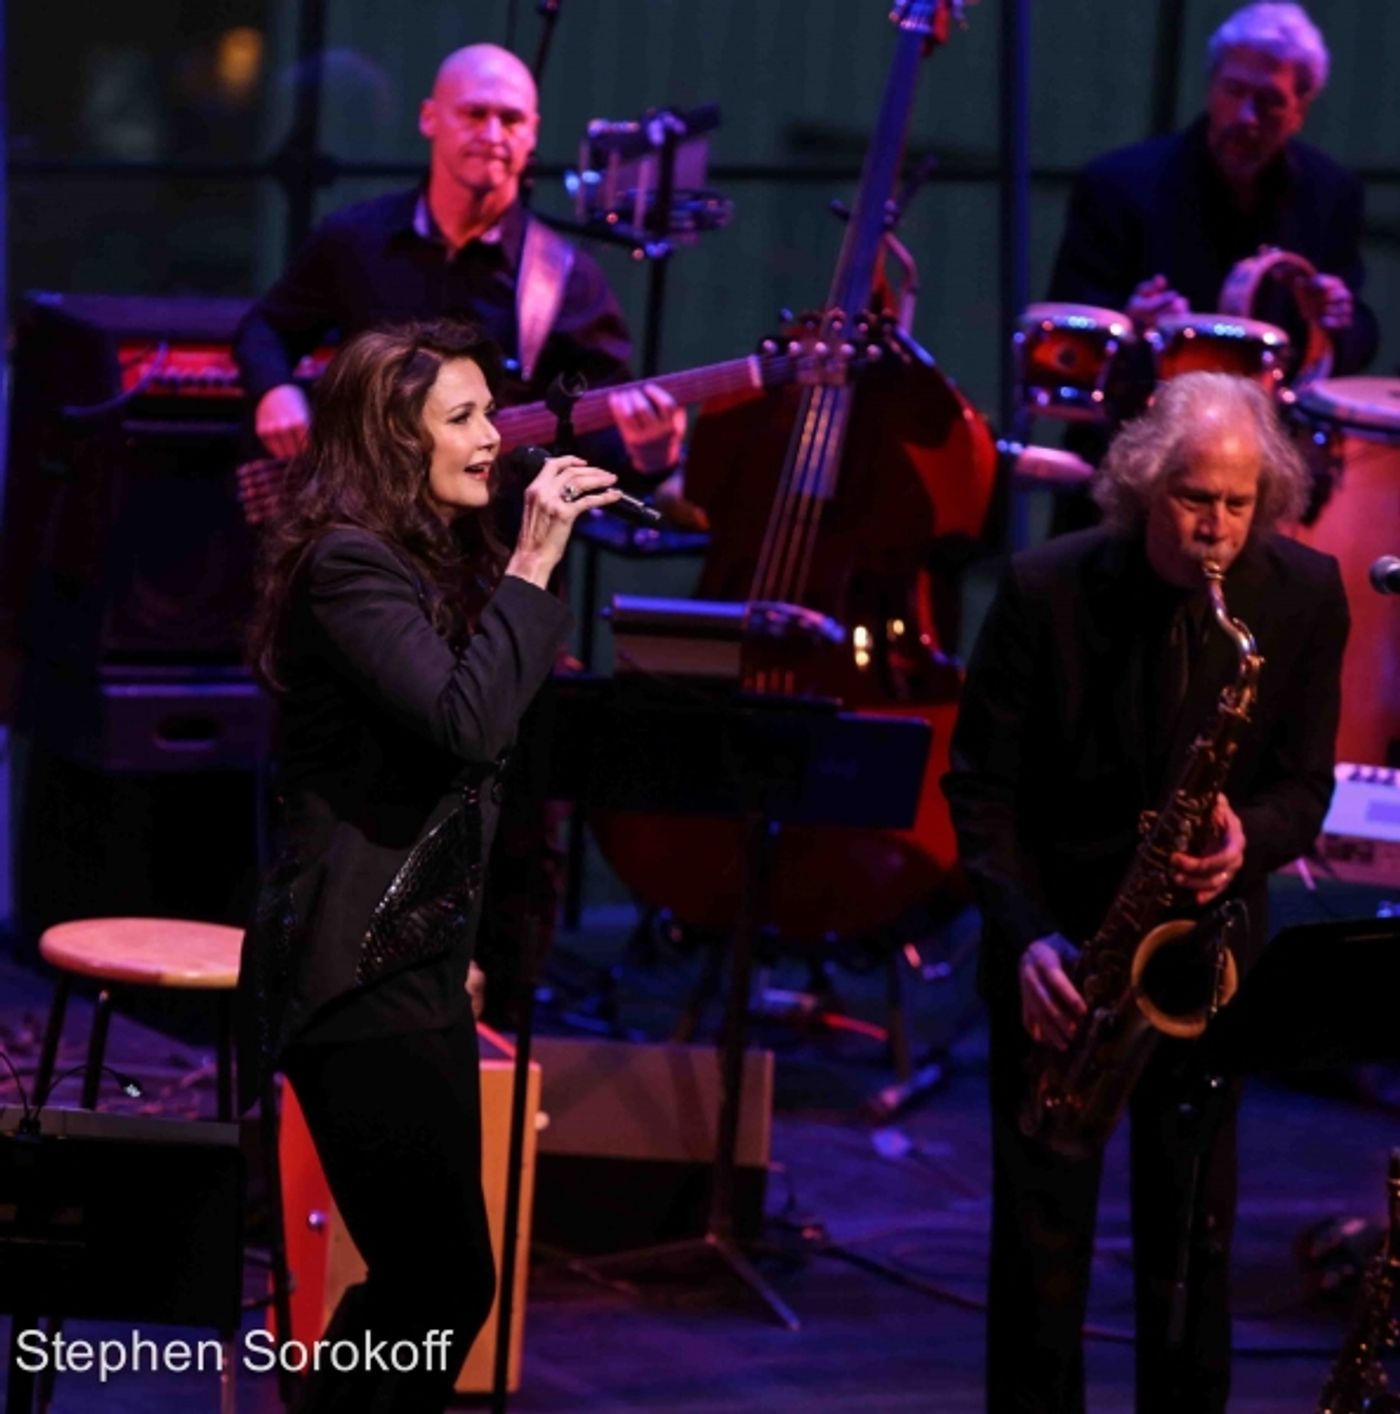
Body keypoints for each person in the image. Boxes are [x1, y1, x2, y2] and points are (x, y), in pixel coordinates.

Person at [943, 371, 1348, 1413]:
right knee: (1037, 1253)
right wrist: (1027, 937)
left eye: (1234, 503)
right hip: (1060, 956)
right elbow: (979, 789)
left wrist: (1243, 836)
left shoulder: (1302, 595)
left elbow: (1304, 784)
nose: (1213, 528)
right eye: (1190, 499)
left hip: (1200, 958)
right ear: (1138, 484)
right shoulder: (1044, 589)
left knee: (1191, 1244)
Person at [235, 319, 620, 1411]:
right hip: (351, 973)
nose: (494, 437)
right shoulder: (346, 565)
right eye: (462, 418)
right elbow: (468, 724)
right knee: (439, 1276)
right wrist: (537, 558)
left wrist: (455, 941)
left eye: (490, 410)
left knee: (438, 1275)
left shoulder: (420, 560)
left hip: (411, 958)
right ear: (392, 442)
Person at [234, 41, 684, 478]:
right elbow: (265, 329)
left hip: (497, 541)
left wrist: (651, 455)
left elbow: (601, 434)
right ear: (430, 118)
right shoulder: (355, 238)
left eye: (510, 119)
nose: (491, 135)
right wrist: (275, 390)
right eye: (474, 113)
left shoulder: (567, 278)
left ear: (532, 133)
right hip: (361, 521)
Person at [1049, 3, 1377, 376]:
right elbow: (1063, 339)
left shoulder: (1331, 193)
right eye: (1234, 90)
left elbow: (1359, 337)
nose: (1245, 116)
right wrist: (1128, 327)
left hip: (1270, 428)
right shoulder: (1116, 185)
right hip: (1135, 425)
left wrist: (1335, 322)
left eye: (1269, 101)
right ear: (1211, 87)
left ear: (1300, 111)